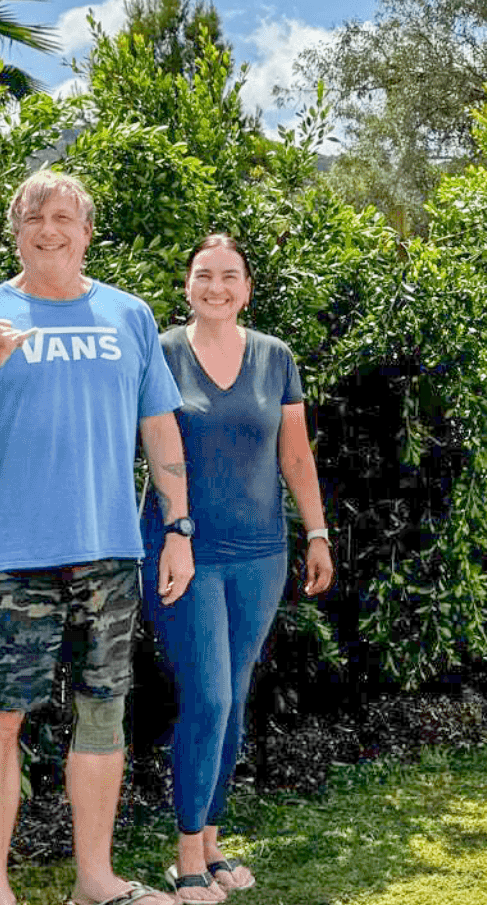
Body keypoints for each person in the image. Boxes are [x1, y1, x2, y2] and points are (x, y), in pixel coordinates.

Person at [0, 169, 192, 905]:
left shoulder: (129, 316)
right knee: (0, 717)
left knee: (103, 714)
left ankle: (95, 882)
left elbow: (159, 428)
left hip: (110, 553)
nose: (49, 227)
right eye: (35, 215)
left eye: (64, 216)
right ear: (15, 229)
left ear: (87, 233)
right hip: (15, 559)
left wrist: (179, 528)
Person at [142, 233, 334, 902]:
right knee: (209, 697)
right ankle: (186, 856)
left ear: (247, 288)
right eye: (204, 275)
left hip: (261, 555)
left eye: (229, 276)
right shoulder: (160, 353)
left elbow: (297, 456)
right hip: (183, 551)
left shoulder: (275, 357)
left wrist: (316, 533)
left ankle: (215, 844)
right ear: (188, 285)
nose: (216, 287)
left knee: (235, 704)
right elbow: (115, 434)